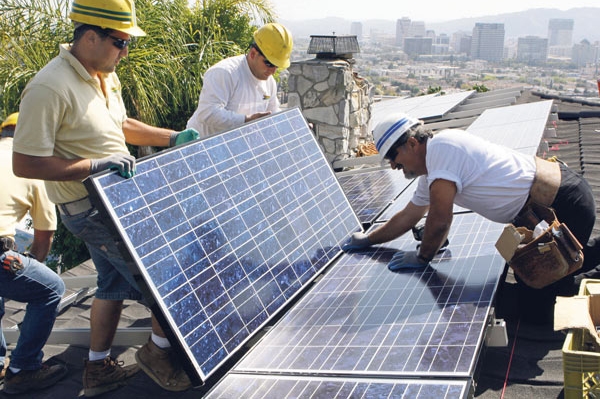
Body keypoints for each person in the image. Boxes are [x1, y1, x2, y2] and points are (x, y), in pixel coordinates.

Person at [11, 0, 199, 396]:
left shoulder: (103, 76)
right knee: (165, 277)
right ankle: (158, 353)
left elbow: (121, 124)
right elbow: (25, 162)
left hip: (118, 200)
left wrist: (172, 137)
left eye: (127, 43)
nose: (125, 52)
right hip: (90, 208)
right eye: (120, 42)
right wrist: (94, 167)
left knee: (112, 284)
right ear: (90, 36)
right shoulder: (49, 87)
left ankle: (97, 370)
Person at [342, 113, 597, 298]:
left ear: (411, 143)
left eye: (393, 157)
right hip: (547, 211)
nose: (394, 167)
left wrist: (423, 257)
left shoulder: (442, 148)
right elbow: (409, 215)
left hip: (564, 204)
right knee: (531, 279)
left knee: (539, 304)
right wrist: (368, 239)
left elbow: (440, 220)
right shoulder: (431, 173)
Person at [0, 112, 67, 395]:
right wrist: (27, 267)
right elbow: (43, 240)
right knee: (52, 288)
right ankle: (23, 369)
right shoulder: (31, 169)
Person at [186, 22, 293, 138]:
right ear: (253, 54)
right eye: (269, 64)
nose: (273, 71)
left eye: (277, 66)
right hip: (202, 147)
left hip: (233, 147)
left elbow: (273, 112)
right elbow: (207, 112)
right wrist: (246, 120)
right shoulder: (225, 73)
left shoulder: (269, 82)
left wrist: (295, 125)